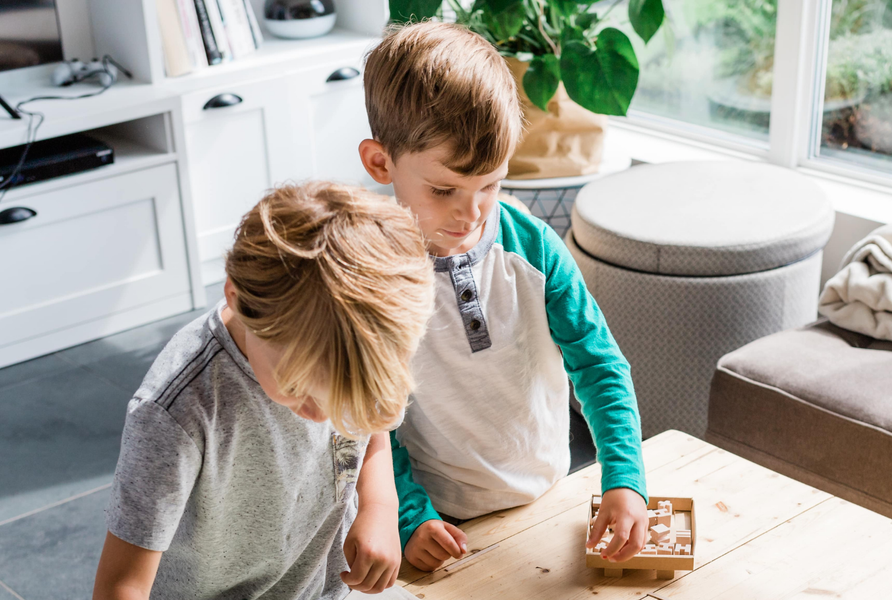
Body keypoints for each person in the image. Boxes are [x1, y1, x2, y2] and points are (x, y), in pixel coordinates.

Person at [357, 22, 649, 572]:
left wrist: (624, 479)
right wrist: (409, 516)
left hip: (549, 493)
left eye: (491, 185)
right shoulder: (372, 276)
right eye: (444, 190)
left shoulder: (533, 246)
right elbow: (371, 419)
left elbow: (599, 363)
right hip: (444, 522)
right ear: (380, 162)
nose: (472, 214)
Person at [92, 182, 435, 599]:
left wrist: (379, 507)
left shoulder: (358, 351)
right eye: (297, 388)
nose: (318, 415)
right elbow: (121, 586)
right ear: (237, 299)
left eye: (341, 402)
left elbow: (370, 433)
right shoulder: (175, 410)